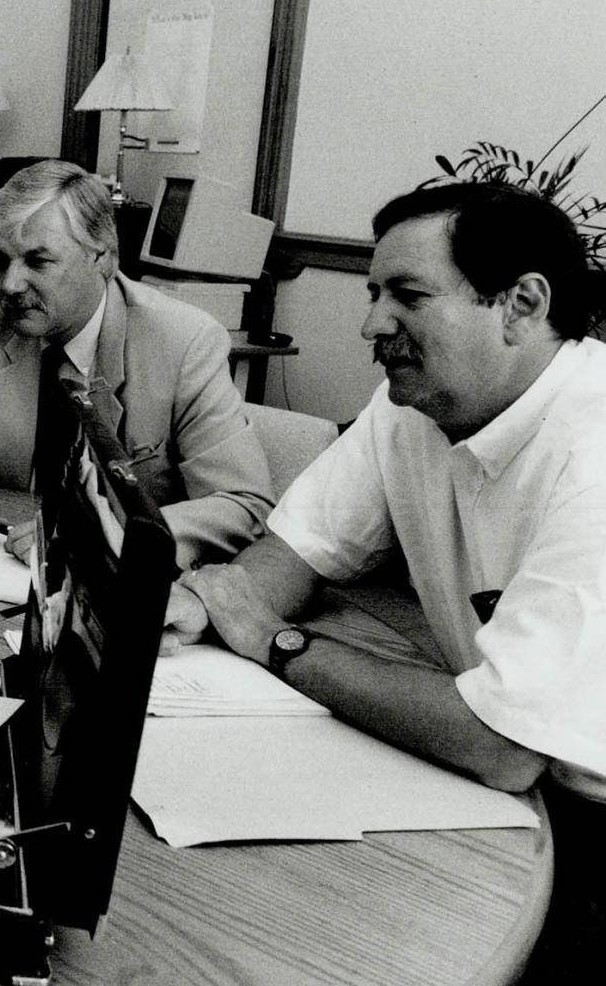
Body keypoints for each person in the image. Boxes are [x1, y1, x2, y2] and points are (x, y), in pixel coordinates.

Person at [172, 181, 606, 983]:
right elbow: (284, 561)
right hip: (520, 783)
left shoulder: (597, 452)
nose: (371, 323)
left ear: (522, 303)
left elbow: (502, 746)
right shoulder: (409, 407)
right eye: (374, 293)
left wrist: (277, 642)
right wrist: (194, 605)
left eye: (407, 295)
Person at [0, 160, 273, 569]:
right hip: (3, 571)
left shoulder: (184, 342)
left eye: (38, 262)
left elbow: (244, 504)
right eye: (1, 261)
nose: (9, 285)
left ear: (103, 259)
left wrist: (103, 533)